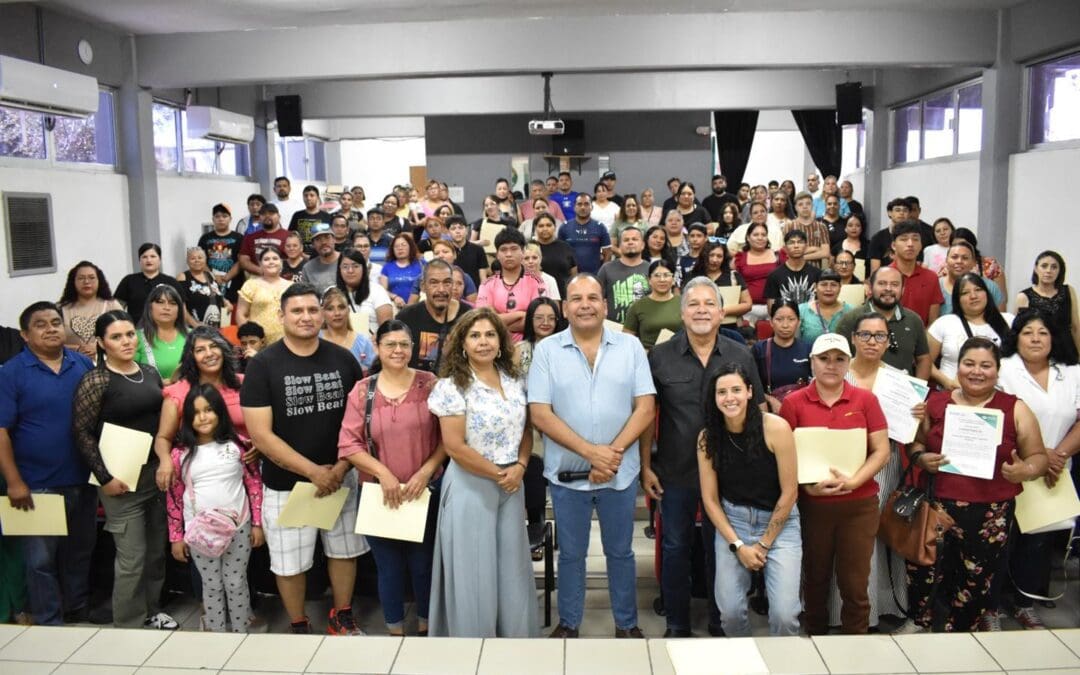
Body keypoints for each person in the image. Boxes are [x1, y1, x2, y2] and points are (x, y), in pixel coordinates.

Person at [529, 274, 656, 639]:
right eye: (576, 298)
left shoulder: (630, 348)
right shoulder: (547, 351)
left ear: (605, 305)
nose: (585, 304)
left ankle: (626, 624)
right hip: (568, 475)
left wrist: (610, 457)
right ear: (564, 307)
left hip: (620, 473)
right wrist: (591, 454)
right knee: (571, 554)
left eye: (593, 298)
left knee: (620, 553)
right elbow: (540, 413)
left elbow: (645, 407)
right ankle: (569, 622)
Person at [240, 283, 368, 636]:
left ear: (323, 313)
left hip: (340, 478)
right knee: (289, 562)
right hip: (288, 484)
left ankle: (341, 615)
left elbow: (358, 422)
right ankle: (298, 623)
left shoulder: (343, 359)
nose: (306, 317)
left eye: (313, 310)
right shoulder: (263, 365)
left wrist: (340, 468)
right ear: (281, 316)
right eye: (297, 311)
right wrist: (313, 471)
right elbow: (261, 436)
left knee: (345, 551)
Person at [644, 278, 765, 638]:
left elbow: (756, 411)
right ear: (682, 313)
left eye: (708, 304)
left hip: (730, 474)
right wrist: (646, 467)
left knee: (724, 549)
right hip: (676, 471)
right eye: (693, 304)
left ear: (721, 311)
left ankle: (719, 621)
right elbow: (647, 415)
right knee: (676, 546)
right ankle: (677, 623)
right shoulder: (660, 356)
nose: (701, 310)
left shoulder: (739, 354)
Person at [901, 337, 1048, 633]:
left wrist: (1026, 470)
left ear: (997, 370)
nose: (976, 371)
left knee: (976, 580)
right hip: (936, 506)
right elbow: (915, 443)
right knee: (924, 572)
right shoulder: (935, 402)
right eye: (969, 364)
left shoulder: (1014, 408)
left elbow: (1039, 456)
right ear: (958, 368)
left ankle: (963, 632)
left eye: (986, 365)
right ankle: (921, 624)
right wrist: (920, 457)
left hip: (990, 514)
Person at [427, 307, 539, 637]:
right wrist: (499, 474)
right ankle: (474, 647)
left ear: (501, 341)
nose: (483, 341)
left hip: (510, 483)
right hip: (471, 484)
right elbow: (455, 446)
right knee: (473, 573)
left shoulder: (515, 381)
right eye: (475, 335)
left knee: (512, 570)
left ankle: (514, 645)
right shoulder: (452, 387)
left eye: (490, 334)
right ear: (462, 343)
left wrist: (519, 466)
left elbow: (527, 429)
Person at [779, 333, 891, 635]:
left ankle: (855, 642)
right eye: (824, 358)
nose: (831, 365)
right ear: (812, 362)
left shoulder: (866, 400)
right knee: (814, 578)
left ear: (848, 363)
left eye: (840, 359)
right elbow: (783, 457)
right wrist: (806, 488)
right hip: (812, 506)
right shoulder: (793, 403)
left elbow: (882, 450)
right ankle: (815, 636)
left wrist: (855, 480)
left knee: (855, 583)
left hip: (859, 506)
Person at [338, 320, 445, 636]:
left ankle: (428, 626)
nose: (398, 351)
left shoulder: (431, 384)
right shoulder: (362, 390)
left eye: (404, 344)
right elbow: (348, 443)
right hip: (378, 494)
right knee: (389, 567)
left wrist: (425, 472)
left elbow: (447, 438)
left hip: (423, 491)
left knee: (423, 565)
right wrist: (382, 473)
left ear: (412, 348)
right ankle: (395, 630)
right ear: (377, 346)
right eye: (390, 344)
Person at [72, 310, 176, 629]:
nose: (126, 341)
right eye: (116, 337)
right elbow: (82, 432)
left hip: (155, 475)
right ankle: (128, 624)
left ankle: (152, 610)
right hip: (120, 481)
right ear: (102, 343)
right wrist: (105, 478)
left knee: (157, 552)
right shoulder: (97, 379)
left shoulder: (148, 372)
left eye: (130, 334)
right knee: (132, 558)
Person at [0, 302, 96, 625]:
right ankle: (48, 620)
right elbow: (1, 432)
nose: (52, 328)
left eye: (56, 321)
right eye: (41, 324)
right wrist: (14, 481)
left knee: (79, 551)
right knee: (40, 560)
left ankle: (76, 609)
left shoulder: (82, 363)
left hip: (83, 477)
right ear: (25, 335)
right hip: (37, 483)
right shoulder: (12, 372)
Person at [698, 363, 800, 637]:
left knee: (785, 615)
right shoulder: (707, 437)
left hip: (780, 524)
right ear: (714, 398)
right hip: (733, 523)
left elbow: (790, 492)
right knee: (729, 614)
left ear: (750, 392)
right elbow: (709, 500)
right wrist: (738, 544)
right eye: (722, 392)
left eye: (736, 390)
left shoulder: (776, 428)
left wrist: (765, 543)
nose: (729, 398)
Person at [840, 312, 926, 627]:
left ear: (888, 340)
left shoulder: (900, 380)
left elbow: (915, 435)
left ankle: (881, 605)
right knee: (845, 535)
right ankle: (841, 609)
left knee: (877, 533)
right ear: (854, 338)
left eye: (880, 336)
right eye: (866, 335)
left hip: (883, 462)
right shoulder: (837, 370)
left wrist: (920, 415)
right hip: (840, 460)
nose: (872, 341)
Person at [996, 309, 1080, 629]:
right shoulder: (1004, 369)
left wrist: (1056, 454)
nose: (1035, 338)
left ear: (1053, 338)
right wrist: (1039, 453)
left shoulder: (1071, 372)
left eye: (1042, 332)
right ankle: (995, 603)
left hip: (1055, 470)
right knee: (1004, 538)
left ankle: (1024, 602)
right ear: (1015, 336)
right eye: (1027, 331)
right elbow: (1000, 417)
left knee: (1039, 542)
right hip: (1013, 464)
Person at [167, 384, 263, 633]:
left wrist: (257, 524)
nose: (203, 417)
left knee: (236, 581)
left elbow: (253, 484)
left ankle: (241, 630)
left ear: (219, 412)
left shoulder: (239, 445)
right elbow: (174, 497)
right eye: (196, 412)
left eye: (209, 410)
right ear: (188, 418)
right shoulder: (180, 454)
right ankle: (216, 633)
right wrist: (176, 537)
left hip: (239, 528)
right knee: (211, 585)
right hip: (199, 533)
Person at [834, 266, 932, 379]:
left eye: (895, 284)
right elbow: (836, 358)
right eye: (882, 283)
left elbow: (923, 359)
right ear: (871, 288)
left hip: (900, 392)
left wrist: (917, 393)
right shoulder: (851, 318)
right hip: (859, 390)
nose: (888, 288)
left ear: (903, 289)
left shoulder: (913, 320)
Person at [928, 273, 1013, 390]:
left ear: (987, 293)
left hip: (999, 394)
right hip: (953, 393)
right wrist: (946, 381)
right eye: (965, 293)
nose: (973, 296)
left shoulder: (1009, 320)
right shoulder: (945, 323)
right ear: (957, 299)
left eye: (978, 290)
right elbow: (924, 361)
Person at [397, 260, 471, 374]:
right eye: (434, 283)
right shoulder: (406, 317)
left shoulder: (468, 316)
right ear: (423, 286)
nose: (441, 289)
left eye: (447, 283)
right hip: (416, 386)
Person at [476, 228, 545, 341]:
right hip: (493, 345)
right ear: (497, 254)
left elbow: (537, 320)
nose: (508, 254)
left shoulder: (537, 282)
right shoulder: (487, 284)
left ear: (522, 252)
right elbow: (482, 320)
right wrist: (520, 314)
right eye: (503, 250)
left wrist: (496, 320)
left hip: (527, 346)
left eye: (514, 249)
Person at [1015, 250, 1080, 365]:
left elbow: (1075, 327)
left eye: (1054, 267)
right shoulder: (1024, 296)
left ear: (1060, 271)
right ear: (1036, 269)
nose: (1048, 271)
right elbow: (1019, 332)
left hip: (1067, 350)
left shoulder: (1068, 291)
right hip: (1039, 353)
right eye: (1044, 266)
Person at [753, 301, 812, 413]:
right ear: (771, 322)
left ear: (798, 322)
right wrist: (770, 400)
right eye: (779, 319)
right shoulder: (760, 349)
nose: (785, 325)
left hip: (803, 409)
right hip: (771, 411)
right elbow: (751, 384)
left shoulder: (808, 349)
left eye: (791, 319)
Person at [58, 261, 121, 360]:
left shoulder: (112, 305)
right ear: (73, 281)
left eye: (91, 278)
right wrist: (77, 349)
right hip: (72, 363)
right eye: (81, 278)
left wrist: (99, 346)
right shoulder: (60, 309)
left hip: (107, 363)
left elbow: (125, 335)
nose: (86, 282)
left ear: (99, 280)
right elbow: (53, 342)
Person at [114, 243, 185, 325]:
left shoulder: (171, 282)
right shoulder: (129, 280)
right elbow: (117, 307)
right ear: (139, 260)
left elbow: (182, 309)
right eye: (144, 257)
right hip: (136, 329)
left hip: (165, 329)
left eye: (153, 256)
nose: (148, 260)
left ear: (159, 259)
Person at [889, 220, 943, 326]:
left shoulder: (931, 278)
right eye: (904, 239)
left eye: (915, 239)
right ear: (894, 245)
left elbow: (932, 323)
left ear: (921, 245)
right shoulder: (883, 276)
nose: (910, 244)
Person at [236, 248, 293, 344]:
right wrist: (250, 340)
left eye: (275, 258)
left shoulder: (291, 286)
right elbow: (240, 314)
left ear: (281, 262)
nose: (271, 262)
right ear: (260, 264)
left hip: (288, 341)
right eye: (266, 259)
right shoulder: (251, 285)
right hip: (259, 343)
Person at [733, 222, 785, 326]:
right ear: (748, 237)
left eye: (763, 235)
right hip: (748, 310)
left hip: (775, 309)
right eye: (756, 235)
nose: (760, 238)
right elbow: (732, 282)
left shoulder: (778, 256)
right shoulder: (740, 258)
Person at [623, 259, 682, 350]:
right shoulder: (638, 306)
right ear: (649, 280)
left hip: (678, 356)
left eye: (666, 275)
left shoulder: (683, 303)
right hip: (646, 358)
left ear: (673, 279)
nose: (662, 280)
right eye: (657, 275)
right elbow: (627, 339)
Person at [135, 284, 189, 382]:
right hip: (151, 395)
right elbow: (131, 377)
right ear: (150, 307)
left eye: (172, 303)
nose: (166, 307)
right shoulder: (135, 338)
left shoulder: (193, 335)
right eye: (160, 302)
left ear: (179, 309)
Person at [596, 227, 650, 324]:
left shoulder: (651, 270)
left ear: (643, 245)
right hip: (614, 330)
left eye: (634, 239)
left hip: (645, 329)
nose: (630, 242)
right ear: (619, 246)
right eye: (626, 240)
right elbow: (597, 298)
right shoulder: (606, 269)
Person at [336, 249, 394, 336]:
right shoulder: (331, 293)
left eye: (355, 266)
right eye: (345, 266)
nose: (350, 271)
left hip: (371, 344)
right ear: (339, 269)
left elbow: (387, 330)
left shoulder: (377, 291)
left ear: (363, 268)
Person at [938, 240, 1005, 315]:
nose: (959, 261)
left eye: (965, 258)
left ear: (973, 263)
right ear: (946, 260)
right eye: (954, 257)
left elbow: (1001, 319)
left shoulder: (989, 287)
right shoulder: (936, 286)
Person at [320, 287, 375, 370]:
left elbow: (373, 373)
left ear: (348, 310)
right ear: (322, 312)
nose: (337, 313)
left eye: (341, 307)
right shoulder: (313, 340)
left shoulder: (364, 342)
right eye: (330, 309)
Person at [198, 203, 244, 304]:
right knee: (214, 313)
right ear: (213, 219)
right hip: (210, 284)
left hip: (234, 285)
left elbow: (241, 261)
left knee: (230, 315)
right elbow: (201, 261)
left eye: (224, 216)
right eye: (217, 216)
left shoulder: (239, 238)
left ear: (230, 219)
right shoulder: (205, 238)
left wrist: (227, 277)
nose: (221, 219)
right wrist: (213, 277)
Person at [764, 229, 821, 309]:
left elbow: (822, 305)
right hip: (785, 319)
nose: (796, 246)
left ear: (806, 247)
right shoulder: (774, 275)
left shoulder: (818, 274)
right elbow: (772, 309)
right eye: (791, 242)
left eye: (800, 242)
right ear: (785, 248)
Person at [558, 193, 611, 275]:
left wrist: (602, 274)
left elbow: (607, 254)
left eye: (586, 204)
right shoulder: (564, 227)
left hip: (594, 276)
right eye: (579, 204)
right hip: (571, 277)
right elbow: (560, 253)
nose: (583, 207)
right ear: (574, 207)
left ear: (591, 207)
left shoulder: (600, 227)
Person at [798, 269, 853, 343]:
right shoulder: (802, 310)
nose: (828, 289)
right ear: (815, 287)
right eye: (824, 284)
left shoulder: (851, 312)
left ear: (840, 287)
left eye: (833, 285)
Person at [176, 247, 225, 327]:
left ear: (205, 260)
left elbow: (217, 294)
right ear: (187, 261)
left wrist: (226, 302)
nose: (197, 260)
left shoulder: (210, 275)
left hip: (216, 326)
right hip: (195, 327)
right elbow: (181, 306)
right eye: (193, 258)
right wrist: (195, 325)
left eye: (200, 258)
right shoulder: (183, 277)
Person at [238, 204, 290, 278]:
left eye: (271, 213)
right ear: (259, 218)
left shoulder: (289, 236)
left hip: (281, 278)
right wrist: (261, 271)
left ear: (279, 217)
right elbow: (243, 260)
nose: (267, 216)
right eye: (263, 214)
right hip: (257, 279)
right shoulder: (250, 237)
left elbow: (295, 259)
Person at [379, 233, 425, 310]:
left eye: (403, 245)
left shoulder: (421, 263)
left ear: (410, 247)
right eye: (396, 246)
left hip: (419, 307)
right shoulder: (387, 267)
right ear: (392, 249)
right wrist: (394, 297)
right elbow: (382, 290)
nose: (400, 248)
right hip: (396, 307)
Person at [786, 192, 831, 269]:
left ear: (812, 206)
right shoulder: (789, 226)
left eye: (808, 204)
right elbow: (788, 252)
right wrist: (815, 249)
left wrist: (801, 257)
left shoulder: (821, 226)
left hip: (815, 270)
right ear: (795, 207)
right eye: (800, 204)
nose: (805, 207)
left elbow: (826, 253)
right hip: (794, 269)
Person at [446, 215, 489, 287]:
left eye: (460, 228)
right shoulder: (446, 251)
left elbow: (483, 278)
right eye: (453, 229)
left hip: (476, 291)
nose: (457, 231)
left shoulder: (478, 250)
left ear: (466, 230)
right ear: (448, 232)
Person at [288, 185, 333, 251]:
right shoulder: (297, 215)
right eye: (306, 195)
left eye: (312, 195)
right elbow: (290, 235)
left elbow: (330, 237)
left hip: (320, 253)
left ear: (317, 197)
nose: (308, 198)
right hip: (300, 254)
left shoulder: (326, 216)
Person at [299, 222, 342, 293]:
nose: (323, 242)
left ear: (334, 239)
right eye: (318, 239)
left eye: (327, 237)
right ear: (313, 244)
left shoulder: (347, 261)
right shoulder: (308, 268)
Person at [609, 194, 646, 258]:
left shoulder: (644, 224)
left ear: (637, 208)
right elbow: (612, 245)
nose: (631, 207)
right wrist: (622, 253)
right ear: (624, 208)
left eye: (633, 205)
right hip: (621, 259)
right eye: (628, 206)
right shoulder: (617, 224)